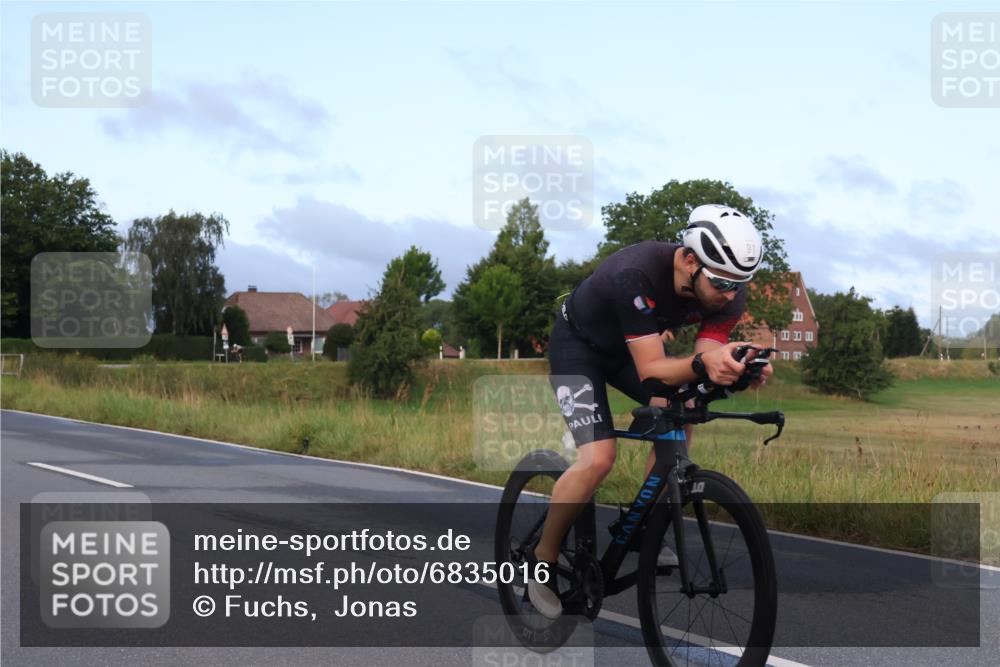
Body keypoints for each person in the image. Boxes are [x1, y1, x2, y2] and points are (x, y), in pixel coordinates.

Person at [528, 204, 775, 619]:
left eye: (739, 285)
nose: (730, 296)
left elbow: (704, 359)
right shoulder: (635, 272)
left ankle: (641, 525)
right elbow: (653, 371)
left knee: (687, 403)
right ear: (690, 260)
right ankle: (543, 559)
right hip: (579, 349)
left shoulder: (727, 283)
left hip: (631, 347)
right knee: (598, 458)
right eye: (720, 284)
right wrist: (701, 366)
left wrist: (735, 367)